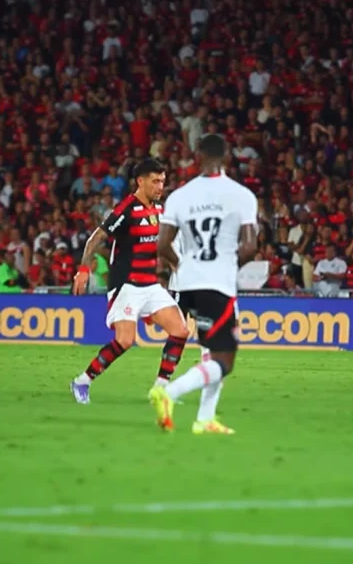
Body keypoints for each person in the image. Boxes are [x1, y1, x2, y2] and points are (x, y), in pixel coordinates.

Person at [149, 134, 257, 434]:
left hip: (187, 283)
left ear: (197, 157)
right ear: (226, 157)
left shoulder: (179, 196)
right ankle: (168, 393)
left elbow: (162, 245)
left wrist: (184, 265)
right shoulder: (241, 195)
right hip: (217, 284)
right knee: (225, 359)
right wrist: (227, 265)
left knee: (212, 350)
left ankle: (205, 419)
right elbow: (250, 246)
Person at [70, 158, 188, 404]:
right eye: (155, 181)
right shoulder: (127, 209)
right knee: (125, 341)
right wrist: (83, 270)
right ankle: (82, 380)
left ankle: (160, 389)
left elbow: (161, 247)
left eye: (162, 182)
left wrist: (178, 266)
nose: (160, 187)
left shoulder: (158, 210)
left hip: (151, 284)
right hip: (127, 285)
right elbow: (96, 238)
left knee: (180, 331)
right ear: (140, 181)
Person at [153, 231, 211, 391]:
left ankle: (208, 372)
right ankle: (161, 382)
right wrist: (181, 268)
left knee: (205, 328)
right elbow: (166, 250)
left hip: (200, 286)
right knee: (178, 332)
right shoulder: (177, 228)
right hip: (181, 287)